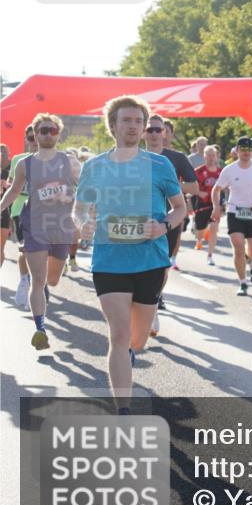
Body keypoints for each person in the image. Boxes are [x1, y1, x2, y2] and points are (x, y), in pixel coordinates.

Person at [72, 95, 185, 415]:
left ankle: (132, 354)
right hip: (109, 259)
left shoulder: (159, 165)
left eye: (139, 121)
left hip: (150, 260)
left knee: (137, 339)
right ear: (113, 126)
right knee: (119, 335)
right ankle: (123, 409)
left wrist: (163, 226)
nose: (134, 126)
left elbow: (180, 209)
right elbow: (78, 209)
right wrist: (83, 224)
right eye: (127, 120)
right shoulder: (95, 166)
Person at [0, 113, 81, 349]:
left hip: (62, 226)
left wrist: (83, 215)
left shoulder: (70, 162)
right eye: (42, 131)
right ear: (35, 134)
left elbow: (84, 190)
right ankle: (40, 329)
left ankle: (51, 275)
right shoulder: (26, 164)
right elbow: (14, 191)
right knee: (38, 280)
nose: (47, 135)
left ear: (58, 134)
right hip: (35, 223)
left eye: (51, 130)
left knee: (52, 280)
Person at [143, 115, 198, 319]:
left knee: (162, 262)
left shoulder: (177, 158)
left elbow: (194, 187)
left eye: (159, 130)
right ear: (144, 133)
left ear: (165, 133)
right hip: (140, 218)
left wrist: (168, 185)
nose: (155, 134)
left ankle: (156, 295)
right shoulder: (134, 157)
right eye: (151, 130)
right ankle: (144, 299)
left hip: (169, 217)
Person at [211, 136, 252, 295]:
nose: (246, 152)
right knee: (238, 246)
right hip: (235, 211)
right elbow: (216, 189)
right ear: (237, 150)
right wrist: (216, 207)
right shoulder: (229, 170)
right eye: (243, 149)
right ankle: (243, 282)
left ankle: (250, 260)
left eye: (248, 149)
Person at [11, 125, 38, 309]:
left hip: (46, 214)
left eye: (37, 136)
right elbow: (14, 188)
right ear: (25, 139)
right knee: (27, 250)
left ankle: (36, 284)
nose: (34, 141)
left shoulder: (53, 160)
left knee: (41, 253)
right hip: (21, 210)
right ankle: (24, 281)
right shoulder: (19, 160)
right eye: (31, 137)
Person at [193, 145, 223, 265]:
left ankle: (210, 255)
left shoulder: (221, 172)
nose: (211, 158)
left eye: (213, 155)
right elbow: (192, 187)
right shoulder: (198, 171)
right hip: (202, 203)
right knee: (200, 230)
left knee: (213, 229)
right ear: (204, 156)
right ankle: (199, 239)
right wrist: (200, 192)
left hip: (215, 205)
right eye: (208, 155)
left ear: (216, 157)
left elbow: (226, 187)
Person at [1, 144, 10, 268]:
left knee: (0, 247)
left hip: (4, 210)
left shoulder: (12, 169)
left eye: (3, 152)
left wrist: (7, 185)